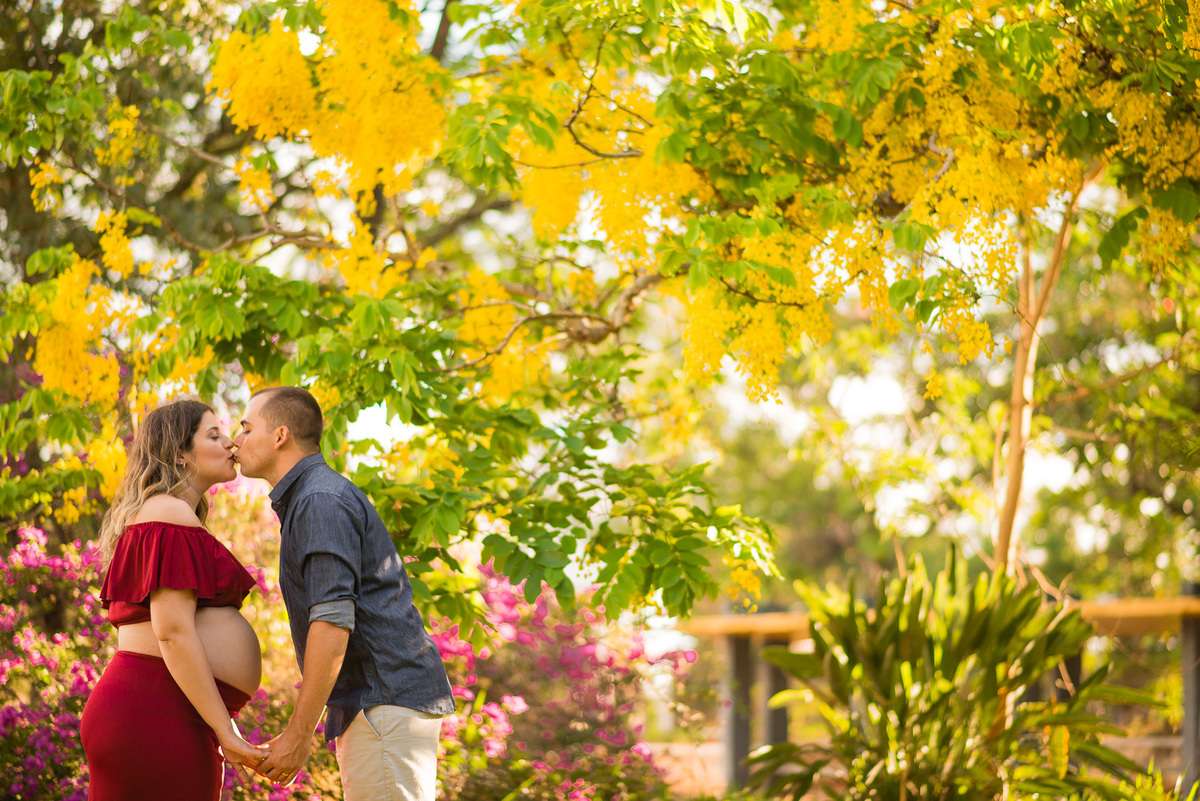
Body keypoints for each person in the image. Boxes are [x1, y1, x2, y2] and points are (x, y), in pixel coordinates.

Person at [233, 386, 454, 800]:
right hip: (376, 705)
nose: (235, 440)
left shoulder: (319, 500)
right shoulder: (310, 497)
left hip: (382, 702)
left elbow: (333, 619)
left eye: (246, 428)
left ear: (280, 436)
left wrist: (300, 735)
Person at [81, 399, 268, 800]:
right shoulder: (167, 512)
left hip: (165, 711)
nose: (232, 443)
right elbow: (173, 633)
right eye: (214, 434)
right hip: (154, 712)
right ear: (181, 454)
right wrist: (226, 731)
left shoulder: (170, 513)